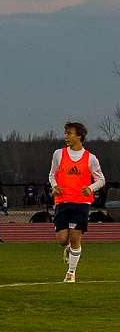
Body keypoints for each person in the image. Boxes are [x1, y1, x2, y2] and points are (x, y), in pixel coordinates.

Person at [49, 121, 105, 282]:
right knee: (62, 240)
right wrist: (55, 186)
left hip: (81, 203)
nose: (66, 136)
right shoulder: (58, 154)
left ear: (79, 135)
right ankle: (67, 249)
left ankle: (71, 273)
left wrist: (91, 188)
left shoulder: (91, 158)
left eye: (69, 133)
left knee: (75, 238)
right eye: (65, 133)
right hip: (62, 201)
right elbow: (52, 174)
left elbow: (101, 179)